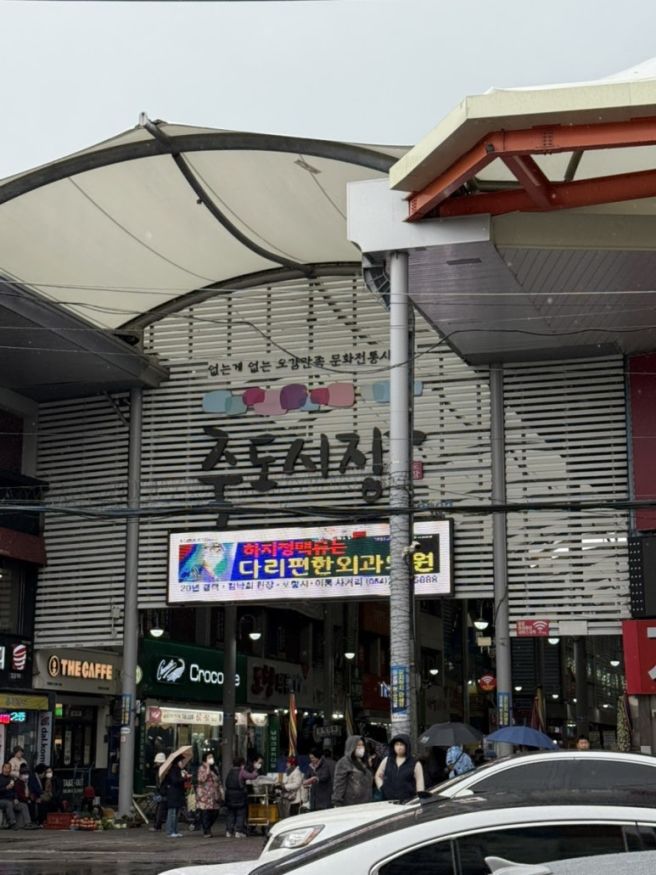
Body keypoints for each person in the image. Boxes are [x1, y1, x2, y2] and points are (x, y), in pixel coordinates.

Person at [374, 734, 425, 802]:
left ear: (407, 746)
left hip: (407, 802)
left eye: (402, 744)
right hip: (387, 801)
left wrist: (419, 801)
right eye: (397, 744)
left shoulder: (415, 763)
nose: (399, 747)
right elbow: (378, 776)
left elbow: (420, 786)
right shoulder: (387, 760)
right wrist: (382, 788)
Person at [331, 735, 372, 807]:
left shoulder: (364, 762)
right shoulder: (343, 762)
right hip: (351, 804)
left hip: (366, 803)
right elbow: (339, 784)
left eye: (362, 745)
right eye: (358, 745)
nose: (361, 747)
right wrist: (337, 801)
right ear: (351, 746)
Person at [195, 751, 223, 837]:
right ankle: (206, 831)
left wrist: (221, 791)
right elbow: (201, 779)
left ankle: (207, 827)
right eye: (209, 757)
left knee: (215, 812)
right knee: (206, 812)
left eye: (212, 757)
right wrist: (207, 769)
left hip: (214, 794)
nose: (211, 759)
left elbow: (218, 780)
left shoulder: (215, 768)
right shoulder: (201, 768)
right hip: (204, 794)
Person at [224, 756, 250, 838]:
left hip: (229, 794)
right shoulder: (241, 772)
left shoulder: (230, 771)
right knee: (240, 813)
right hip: (239, 795)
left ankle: (229, 831)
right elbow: (252, 776)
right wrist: (256, 771)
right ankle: (238, 831)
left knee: (230, 813)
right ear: (242, 764)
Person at [162, 755, 186, 838]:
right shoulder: (173, 770)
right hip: (173, 794)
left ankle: (175, 830)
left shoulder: (179, 770)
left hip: (177, 794)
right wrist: (183, 778)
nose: (183, 763)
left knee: (176, 813)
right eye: (181, 761)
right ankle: (170, 831)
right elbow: (175, 781)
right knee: (172, 813)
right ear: (178, 762)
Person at [150, 752, 168, 832]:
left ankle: (157, 825)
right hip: (162, 791)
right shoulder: (163, 770)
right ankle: (157, 824)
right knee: (160, 808)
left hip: (160, 790)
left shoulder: (158, 770)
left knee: (159, 808)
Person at [0, 762, 18, 829]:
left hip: (10, 799)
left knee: (23, 805)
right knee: (8, 804)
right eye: (5, 768)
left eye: (8, 768)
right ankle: (12, 823)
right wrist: (6, 788)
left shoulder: (11, 778)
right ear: (2, 768)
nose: (7, 770)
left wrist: (16, 798)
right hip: (1, 799)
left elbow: (15, 791)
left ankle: (27, 823)